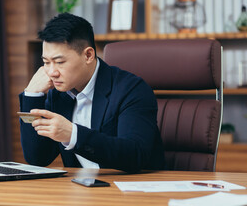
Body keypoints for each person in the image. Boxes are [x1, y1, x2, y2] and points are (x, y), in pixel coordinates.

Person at [18, 13, 165, 173]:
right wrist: (32, 96)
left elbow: (136, 154)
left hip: (133, 189)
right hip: (83, 190)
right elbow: (38, 158)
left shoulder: (131, 89)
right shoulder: (58, 95)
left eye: (59, 62)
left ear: (88, 55)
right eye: (46, 62)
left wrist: (73, 135)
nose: (52, 72)